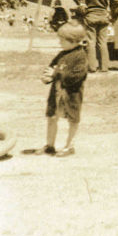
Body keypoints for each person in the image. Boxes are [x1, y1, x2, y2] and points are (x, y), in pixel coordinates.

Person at [39, 21, 88, 157]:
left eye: (62, 40)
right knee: (52, 117)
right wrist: (47, 77)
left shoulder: (80, 56)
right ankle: (50, 145)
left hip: (71, 94)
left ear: (73, 41)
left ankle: (69, 146)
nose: (59, 42)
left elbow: (77, 76)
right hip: (56, 93)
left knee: (73, 119)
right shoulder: (61, 54)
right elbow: (51, 67)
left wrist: (56, 74)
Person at [71, 0, 118, 73]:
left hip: (90, 15)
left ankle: (92, 67)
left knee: (91, 42)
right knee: (103, 42)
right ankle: (104, 67)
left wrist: (81, 4)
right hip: (103, 16)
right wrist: (112, 12)